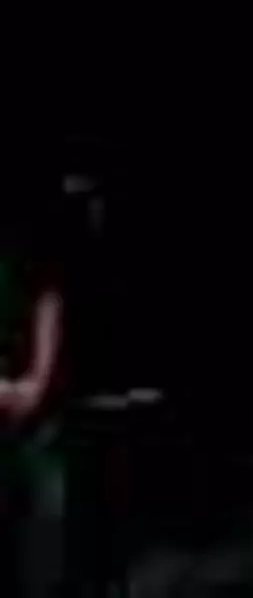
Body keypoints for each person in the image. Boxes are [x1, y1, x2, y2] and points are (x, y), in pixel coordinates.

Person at [0, 215, 65, 598]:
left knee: (41, 528)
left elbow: (47, 299)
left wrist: (37, 379)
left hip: (32, 414)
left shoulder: (20, 240)